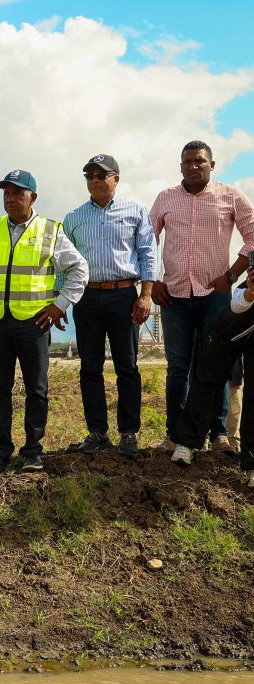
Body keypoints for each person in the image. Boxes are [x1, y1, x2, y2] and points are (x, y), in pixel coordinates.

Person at [0, 170, 88, 474]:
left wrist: (60, 306)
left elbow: (79, 270)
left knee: (36, 389)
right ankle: (2, 452)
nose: (10, 199)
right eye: (6, 193)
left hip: (33, 324)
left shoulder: (50, 230)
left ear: (32, 197)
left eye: (17, 193)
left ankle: (33, 451)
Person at [151, 140, 254, 455]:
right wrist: (153, 281)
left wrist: (231, 276)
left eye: (199, 161)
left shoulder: (231, 196)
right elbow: (146, 239)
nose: (193, 166)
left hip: (215, 297)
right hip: (174, 297)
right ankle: (174, 434)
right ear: (180, 166)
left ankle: (218, 434)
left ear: (212, 164)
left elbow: (252, 237)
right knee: (178, 367)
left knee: (215, 366)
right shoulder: (166, 198)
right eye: (187, 162)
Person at [62, 155, 157, 460]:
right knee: (89, 368)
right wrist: (60, 301)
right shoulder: (74, 218)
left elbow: (147, 253)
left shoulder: (135, 211)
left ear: (116, 178)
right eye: (89, 175)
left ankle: (128, 433)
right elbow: (63, 264)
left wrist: (145, 295)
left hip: (123, 296)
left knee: (126, 366)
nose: (94, 180)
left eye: (101, 175)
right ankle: (97, 432)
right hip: (86, 298)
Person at [171, 268, 254, 488]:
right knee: (207, 379)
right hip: (232, 327)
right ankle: (186, 443)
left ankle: (252, 466)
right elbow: (237, 304)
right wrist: (251, 294)